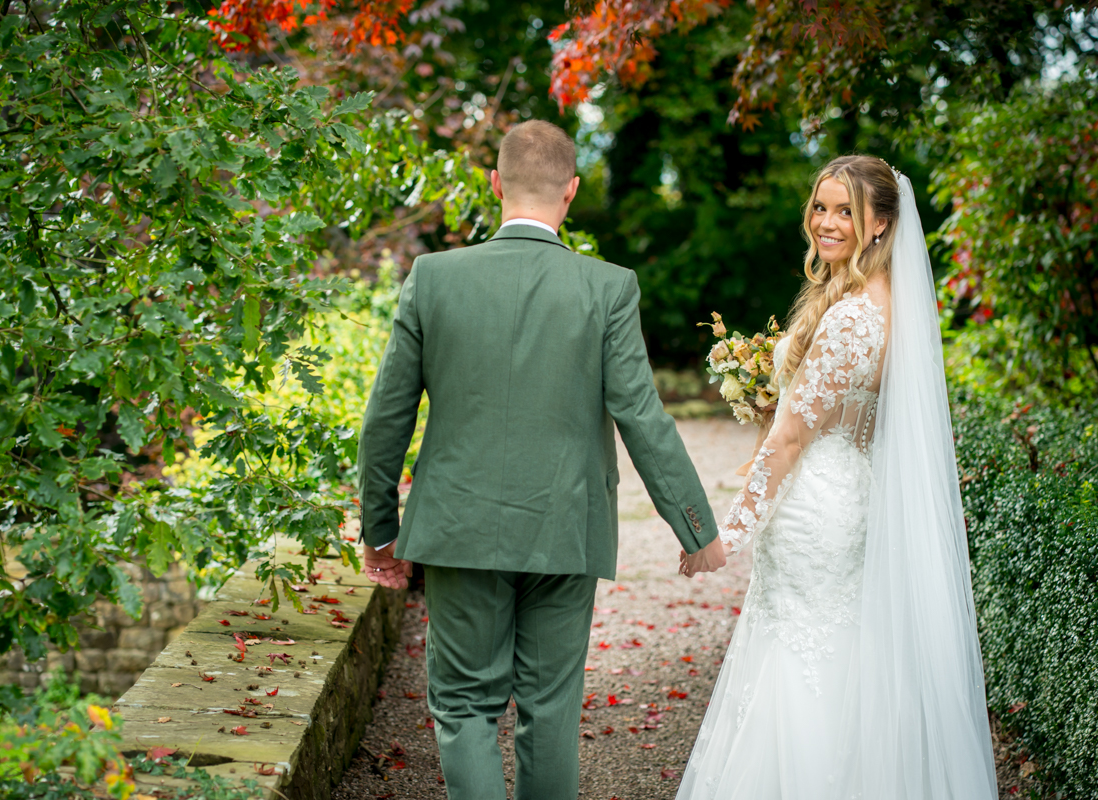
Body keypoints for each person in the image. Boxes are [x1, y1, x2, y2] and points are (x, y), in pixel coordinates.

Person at [355, 120, 723, 800]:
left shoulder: (432, 278)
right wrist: (695, 529)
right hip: (564, 526)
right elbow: (642, 414)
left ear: (494, 184)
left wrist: (379, 530)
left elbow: (387, 417)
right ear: (572, 191)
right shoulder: (608, 288)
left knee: (465, 706)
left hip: (460, 529)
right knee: (550, 710)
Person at [677, 155, 998, 799]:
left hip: (812, 510)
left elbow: (791, 437)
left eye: (845, 211)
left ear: (880, 224)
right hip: (849, 494)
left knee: (796, 662)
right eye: (821, 207)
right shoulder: (888, 306)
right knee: (842, 655)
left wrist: (724, 536)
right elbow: (857, 421)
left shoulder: (852, 317)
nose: (826, 222)